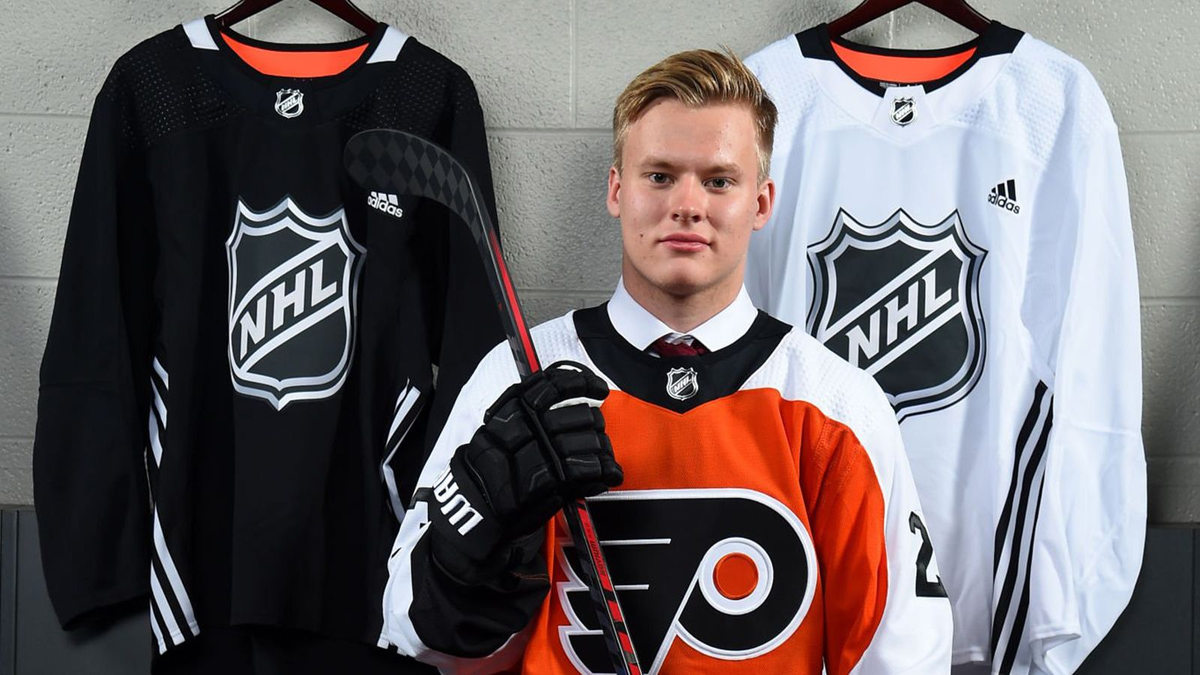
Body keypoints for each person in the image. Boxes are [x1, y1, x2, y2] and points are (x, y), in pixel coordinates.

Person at [376, 49, 953, 674]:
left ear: (761, 203)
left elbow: (901, 655)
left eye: (719, 181)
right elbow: (412, 637)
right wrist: (474, 547)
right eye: (659, 176)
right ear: (617, 191)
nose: (687, 204)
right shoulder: (517, 379)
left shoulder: (835, 404)